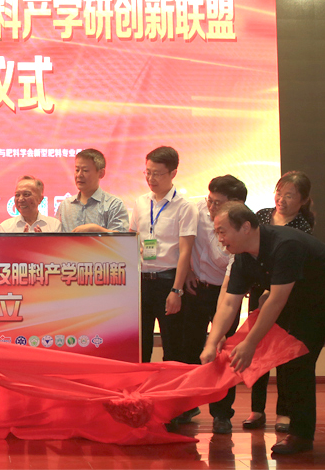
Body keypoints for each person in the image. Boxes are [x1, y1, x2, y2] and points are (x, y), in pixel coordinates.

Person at [202, 202, 325, 457]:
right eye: (217, 232)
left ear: (246, 227)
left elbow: (276, 301)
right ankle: (301, 434)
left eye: (222, 231)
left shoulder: (285, 245)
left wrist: (250, 343)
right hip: (306, 304)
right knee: (294, 363)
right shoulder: (242, 258)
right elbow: (229, 302)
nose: (219, 238)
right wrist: (212, 342)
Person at [243, 171, 315, 432]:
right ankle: (256, 409)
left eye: (289, 195)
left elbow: (291, 265)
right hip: (258, 290)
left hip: (286, 295)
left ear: (303, 200)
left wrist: (270, 290)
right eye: (278, 192)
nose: (281, 199)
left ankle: (284, 411)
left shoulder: (303, 227)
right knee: (258, 348)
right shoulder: (262, 216)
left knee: (283, 353)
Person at [181, 175, 247, 434]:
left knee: (223, 352)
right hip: (196, 289)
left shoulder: (241, 229)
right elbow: (183, 244)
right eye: (210, 200)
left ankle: (222, 414)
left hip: (226, 293)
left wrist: (220, 321)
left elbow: (231, 282)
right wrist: (187, 271)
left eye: (218, 203)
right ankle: (186, 407)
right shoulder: (196, 209)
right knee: (189, 349)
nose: (211, 207)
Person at [129, 146, 196, 366]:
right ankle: (140, 387)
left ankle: (171, 388)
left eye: (157, 174)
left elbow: (185, 251)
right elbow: (132, 238)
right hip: (141, 282)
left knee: (173, 346)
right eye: (147, 172)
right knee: (139, 346)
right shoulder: (140, 202)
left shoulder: (185, 207)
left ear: (173, 173)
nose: (151, 179)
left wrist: (176, 290)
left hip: (168, 280)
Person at [55, 148, 129, 233]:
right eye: (77, 170)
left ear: (101, 173)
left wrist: (97, 231)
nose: (79, 175)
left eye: (85, 170)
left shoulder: (114, 205)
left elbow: (122, 238)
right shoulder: (65, 206)